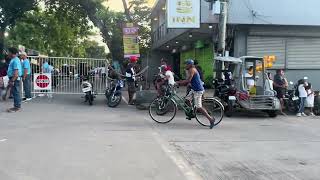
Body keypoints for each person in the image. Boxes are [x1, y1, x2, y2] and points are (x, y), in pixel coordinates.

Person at [177, 59, 215, 129]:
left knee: (199, 107)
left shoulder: (192, 70)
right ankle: (192, 112)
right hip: (194, 89)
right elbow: (189, 80)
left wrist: (178, 83)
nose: (185, 65)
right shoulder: (190, 70)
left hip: (198, 90)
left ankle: (211, 119)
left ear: (190, 65)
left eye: (186, 64)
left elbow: (188, 80)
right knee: (187, 99)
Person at [6, 47, 23, 112]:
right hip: (13, 78)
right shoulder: (13, 59)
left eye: (8, 52)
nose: (8, 53)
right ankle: (16, 106)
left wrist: (12, 80)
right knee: (15, 92)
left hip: (14, 78)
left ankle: (17, 107)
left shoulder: (15, 60)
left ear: (12, 53)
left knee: (16, 92)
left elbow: (16, 72)